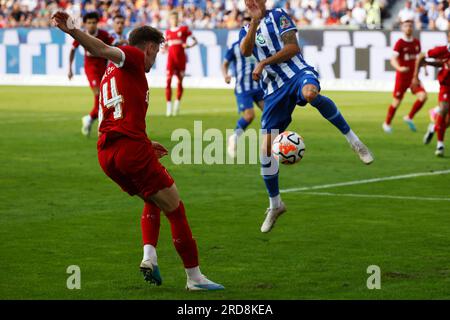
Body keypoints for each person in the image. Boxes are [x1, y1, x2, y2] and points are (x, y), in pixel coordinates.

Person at [53, 11, 224, 291]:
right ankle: (195, 278)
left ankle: (150, 257)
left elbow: (116, 119)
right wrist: (73, 30)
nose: (156, 59)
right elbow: (100, 48)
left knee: (152, 196)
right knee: (175, 208)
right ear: (148, 47)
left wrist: (145, 144)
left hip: (108, 155)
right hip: (129, 150)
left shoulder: (117, 72)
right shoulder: (130, 55)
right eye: (156, 51)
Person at [239, 0, 374, 233]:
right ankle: (276, 204)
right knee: (266, 149)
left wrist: (264, 62)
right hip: (273, 90)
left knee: (310, 94)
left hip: (298, 73)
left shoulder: (279, 15)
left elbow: (293, 48)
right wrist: (253, 22)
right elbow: (245, 51)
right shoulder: (247, 28)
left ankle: (354, 141)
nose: (251, 1)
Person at [222, 16, 265, 158]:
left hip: (259, 86)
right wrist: (226, 75)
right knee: (250, 115)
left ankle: (270, 143)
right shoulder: (235, 47)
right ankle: (234, 137)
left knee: (270, 112)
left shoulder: (259, 44)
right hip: (243, 87)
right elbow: (225, 63)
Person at [68, 11, 114, 137]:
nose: (91, 25)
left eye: (94, 22)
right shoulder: (82, 35)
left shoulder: (104, 34)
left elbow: (114, 44)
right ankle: (102, 127)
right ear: (85, 24)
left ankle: (89, 119)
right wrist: (70, 69)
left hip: (104, 69)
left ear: (97, 23)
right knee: (99, 97)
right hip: (91, 69)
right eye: (89, 23)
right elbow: (72, 50)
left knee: (104, 98)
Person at [382, 18, 427, 133]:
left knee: (423, 96)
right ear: (402, 28)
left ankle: (409, 117)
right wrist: (399, 68)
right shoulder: (400, 43)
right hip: (402, 78)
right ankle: (387, 123)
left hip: (413, 78)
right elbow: (393, 59)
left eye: (410, 26)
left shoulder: (416, 42)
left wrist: (425, 69)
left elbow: (420, 58)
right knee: (396, 103)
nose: (408, 28)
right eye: (406, 26)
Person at [413, 32, 450, 157]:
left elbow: (444, 63)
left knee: (447, 121)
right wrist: (416, 76)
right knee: (444, 109)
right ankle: (440, 145)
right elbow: (421, 56)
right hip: (446, 86)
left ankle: (433, 127)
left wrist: (433, 64)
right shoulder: (441, 50)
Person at [164, 10, 198, 117]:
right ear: (169, 20)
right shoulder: (167, 32)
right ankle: (168, 107)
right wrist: (164, 49)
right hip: (171, 60)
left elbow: (195, 40)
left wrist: (189, 46)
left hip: (181, 60)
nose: (174, 20)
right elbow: (164, 45)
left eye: (176, 18)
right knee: (168, 81)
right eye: (172, 18)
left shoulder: (184, 29)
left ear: (178, 19)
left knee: (179, 82)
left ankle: (177, 104)